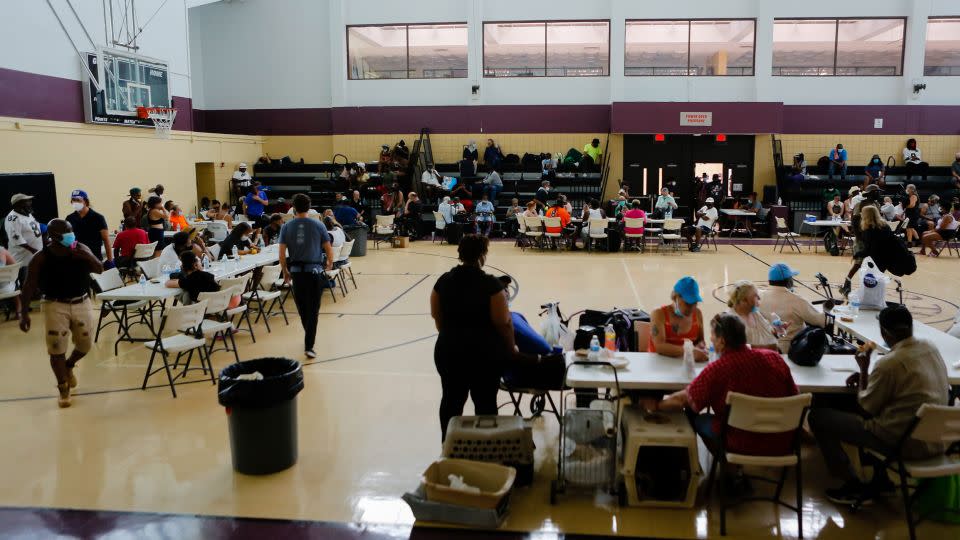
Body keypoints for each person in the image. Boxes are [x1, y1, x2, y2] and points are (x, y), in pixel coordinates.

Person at [809, 305, 949, 505]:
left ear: (884, 332)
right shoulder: (929, 347)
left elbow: (866, 407)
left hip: (904, 443)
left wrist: (865, 369)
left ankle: (852, 483)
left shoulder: (890, 363)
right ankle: (880, 479)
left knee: (818, 416)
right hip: (934, 438)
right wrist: (869, 378)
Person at [654, 313, 799, 462]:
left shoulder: (718, 369)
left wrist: (655, 405)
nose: (711, 339)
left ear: (722, 341)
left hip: (740, 443)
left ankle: (727, 468)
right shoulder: (774, 359)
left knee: (696, 414)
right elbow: (795, 396)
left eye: (713, 337)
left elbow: (684, 400)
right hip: (782, 442)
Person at [430, 234, 516, 441]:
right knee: (485, 403)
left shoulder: (443, 281)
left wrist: (452, 336)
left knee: (451, 401)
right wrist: (511, 349)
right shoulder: (491, 285)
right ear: (482, 256)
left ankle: (448, 445)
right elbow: (502, 322)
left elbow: (437, 316)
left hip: (449, 351)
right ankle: (485, 448)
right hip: (483, 354)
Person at [18, 219, 103, 408]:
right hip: (54, 304)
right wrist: (23, 313)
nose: (71, 235)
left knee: (86, 344)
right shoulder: (41, 256)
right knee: (56, 348)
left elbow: (99, 268)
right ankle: (63, 388)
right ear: (54, 237)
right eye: (66, 233)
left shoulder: (80, 248)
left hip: (81, 301)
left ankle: (69, 365)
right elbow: (29, 285)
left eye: (71, 231)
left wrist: (85, 257)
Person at [279, 193, 334, 359]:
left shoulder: (286, 227)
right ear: (309, 207)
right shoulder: (318, 225)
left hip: (297, 273)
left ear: (294, 208)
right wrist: (329, 263)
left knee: (303, 308)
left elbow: (282, 253)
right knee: (313, 309)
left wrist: (285, 271)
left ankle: (308, 339)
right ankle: (309, 344)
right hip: (315, 272)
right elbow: (328, 248)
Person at [760, 264, 828, 352]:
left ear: (769, 281)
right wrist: (827, 309)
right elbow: (822, 321)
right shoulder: (797, 300)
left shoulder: (759, 297)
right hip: (792, 349)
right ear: (789, 281)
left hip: (766, 347)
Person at [648, 276, 708, 362]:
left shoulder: (698, 314)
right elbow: (659, 346)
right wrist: (689, 351)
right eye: (688, 303)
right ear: (675, 297)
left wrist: (701, 346)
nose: (692, 308)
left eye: (695, 303)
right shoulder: (658, 314)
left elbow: (700, 340)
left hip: (685, 365)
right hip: (659, 366)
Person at [726, 280, 780, 351]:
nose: (759, 298)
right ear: (744, 300)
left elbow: (767, 334)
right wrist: (765, 348)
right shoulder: (730, 320)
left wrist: (776, 331)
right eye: (755, 296)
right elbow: (733, 348)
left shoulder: (755, 313)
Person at [65, 189, 113, 267]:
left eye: (78, 200)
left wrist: (110, 260)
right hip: (76, 259)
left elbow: (106, 240)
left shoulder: (98, 218)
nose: (75, 202)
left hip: (94, 258)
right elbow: (68, 240)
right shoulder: (70, 218)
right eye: (73, 200)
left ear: (86, 201)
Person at [4, 194, 43, 267]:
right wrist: (35, 251)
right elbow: (17, 241)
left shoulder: (26, 213)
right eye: (27, 201)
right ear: (18, 204)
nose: (30, 202)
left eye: (30, 200)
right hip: (22, 262)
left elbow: (34, 228)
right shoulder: (12, 219)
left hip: (33, 259)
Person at [0, 245, 21, 316]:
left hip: (4, 288)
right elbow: (15, 268)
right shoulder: (2, 251)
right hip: (7, 289)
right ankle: (19, 310)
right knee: (14, 280)